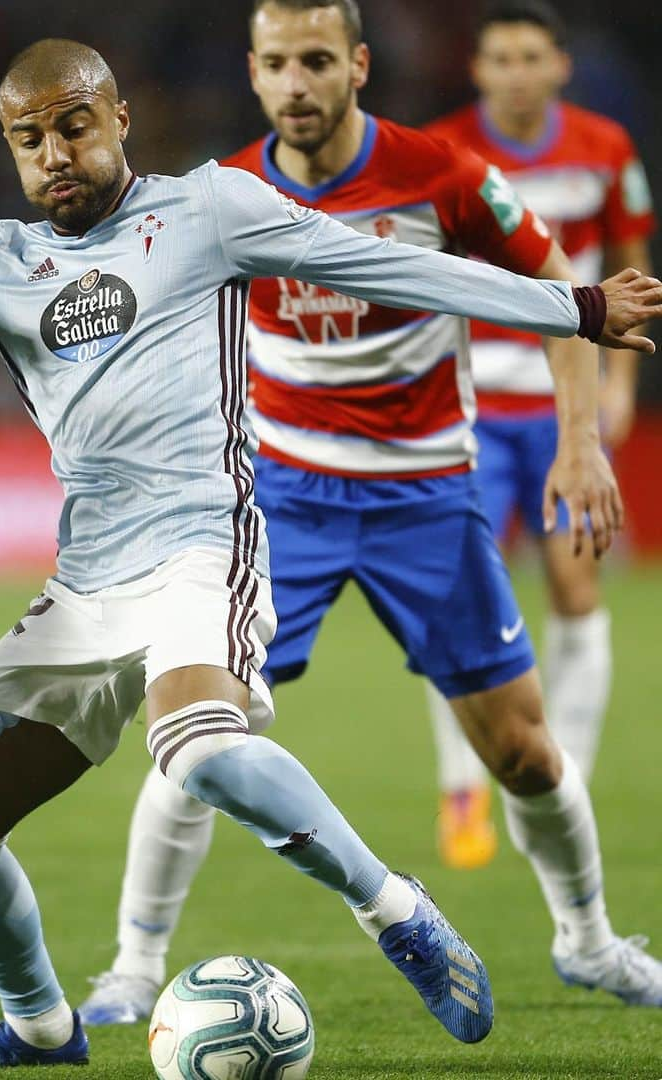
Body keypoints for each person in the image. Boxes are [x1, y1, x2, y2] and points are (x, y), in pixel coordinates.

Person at [0, 37, 660, 1069]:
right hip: (86, 579)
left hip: (204, 543)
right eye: (30, 138)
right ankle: (40, 1027)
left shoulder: (208, 212)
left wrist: (576, 308)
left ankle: (394, 907)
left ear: (119, 120)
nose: (55, 153)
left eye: (73, 125)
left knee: (195, 747)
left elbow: (384, 263)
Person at [75, 0, 662, 1029]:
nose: (295, 83)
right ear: (253, 76)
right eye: (275, 64)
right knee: (201, 726)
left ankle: (591, 943)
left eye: (314, 60)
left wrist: (579, 443)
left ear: (357, 65)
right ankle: (132, 966)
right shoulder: (221, 197)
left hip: (428, 498)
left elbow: (562, 291)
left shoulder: (443, 176)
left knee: (524, 751)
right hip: (281, 504)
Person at [421, 0, 656, 871]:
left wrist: (620, 383)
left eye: (532, 55)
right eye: (501, 58)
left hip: (568, 409)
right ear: (479, 70)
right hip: (470, 411)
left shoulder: (606, 148)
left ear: (560, 65)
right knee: (463, 602)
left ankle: (569, 784)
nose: (517, 71)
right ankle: (462, 789)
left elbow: (630, 251)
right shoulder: (442, 154)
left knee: (576, 588)